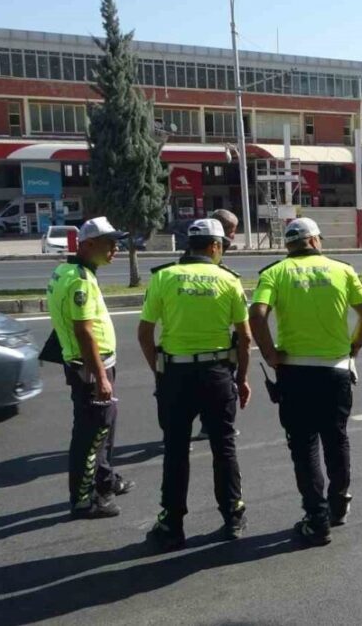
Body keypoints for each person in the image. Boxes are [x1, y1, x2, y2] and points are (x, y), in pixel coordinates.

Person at [249, 218, 362, 546]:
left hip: (295, 372)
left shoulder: (274, 273)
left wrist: (269, 353)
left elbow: (257, 313)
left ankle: (316, 518)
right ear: (316, 241)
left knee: (304, 445)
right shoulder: (342, 270)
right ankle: (338, 505)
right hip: (335, 370)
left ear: (289, 245)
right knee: (336, 438)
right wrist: (355, 347)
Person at [138, 219, 253, 551]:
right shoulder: (228, 280)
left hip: (175, 376)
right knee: (224, 447)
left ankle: (171, 524)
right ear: (215, 246)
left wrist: (159, 372)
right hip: (217, 375)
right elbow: (244, 338)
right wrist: (242, 378)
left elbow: (145, 334)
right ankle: (233, 517)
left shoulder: (163, 277)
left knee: (175, 450)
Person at [45, 217, 135, 519]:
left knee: (101, 429)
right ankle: (85, 500)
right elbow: (83, 330)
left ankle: (105, 480)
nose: (116, 249)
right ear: (89, 244)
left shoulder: (66, 271)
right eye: (110, 243)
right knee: (92, 434)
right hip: (90, 367)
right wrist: (100, 377)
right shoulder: (80, 280)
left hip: (88, 364)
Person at [193, 208, 242, 443]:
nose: (233, 237)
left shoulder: (196, 245)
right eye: (232, 232)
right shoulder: (213, 255)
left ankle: (203, 426)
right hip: (211, 331)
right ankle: (218, 426)